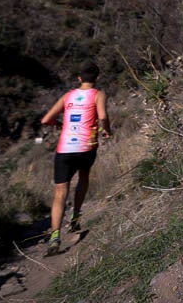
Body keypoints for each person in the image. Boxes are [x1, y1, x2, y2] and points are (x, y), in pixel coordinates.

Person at [39, 61, 110, 256]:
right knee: (83, 178)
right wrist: (107, 130)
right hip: (87, 147)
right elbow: (102, 116)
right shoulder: (98, 94)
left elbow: (46, 120)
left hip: (65, 149)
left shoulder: (67, 96)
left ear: (79, 78)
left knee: (60, 192)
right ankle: (76, 217)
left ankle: (54, 237)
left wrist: (58, 123)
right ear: (97, 78)